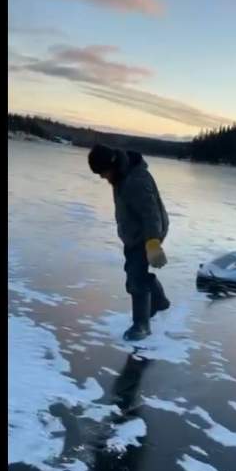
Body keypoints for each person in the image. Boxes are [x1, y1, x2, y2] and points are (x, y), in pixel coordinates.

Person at [87, 143, 170, 341]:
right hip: (135, 232)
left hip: (147, 233)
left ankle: (141, 326)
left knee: (135, 278)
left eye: (103, 172)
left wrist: (152, 244)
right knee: (135, 271)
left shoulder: (136, 180)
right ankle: (159, 302)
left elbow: (151, 215)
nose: (102, 177)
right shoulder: (121, 174)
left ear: (112, 164)